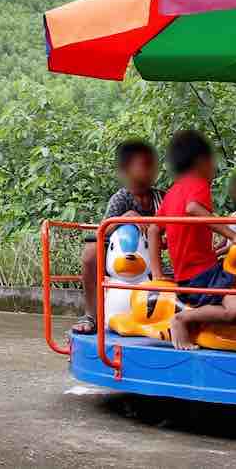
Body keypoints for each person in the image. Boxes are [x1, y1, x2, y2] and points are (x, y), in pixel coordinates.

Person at [150, 130, 236, 350]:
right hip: (204, 277)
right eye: (213, 161)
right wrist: (235, 235)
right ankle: (183, 319)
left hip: (186, 280)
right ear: (201, 161)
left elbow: (153, 229)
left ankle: (193, 319)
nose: (214, 169)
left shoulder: (172, 192)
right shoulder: (198, 183)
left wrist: (158, 273)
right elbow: (193, 209)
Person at [72, 139, 165, 336]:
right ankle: (91, 315)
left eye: (153, 165)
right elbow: (103, 231)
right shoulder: (121, 198)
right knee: (90, 254)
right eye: (144, 165)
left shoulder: (160, 198)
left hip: (152, 263)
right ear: (126, 170)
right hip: (123, 259)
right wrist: (122, 219)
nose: (151, 171)